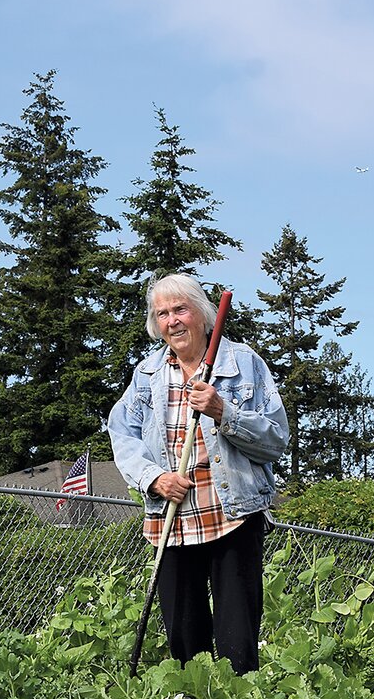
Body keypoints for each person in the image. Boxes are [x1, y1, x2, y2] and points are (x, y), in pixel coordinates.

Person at [108, 274, 289, 674]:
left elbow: (276, 438)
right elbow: (121, 434)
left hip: (232, 513)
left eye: (180, 309)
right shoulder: (147, 374)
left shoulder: (242, 363)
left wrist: (224, 412)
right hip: (171, 519)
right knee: (184, 633)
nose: (172, 321)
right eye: (162, 314)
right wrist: (153, 478)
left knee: (237, 632)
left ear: (203, 315)